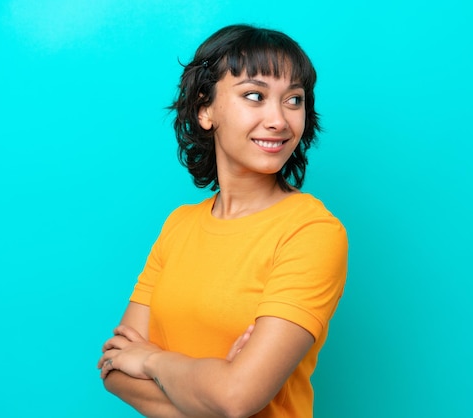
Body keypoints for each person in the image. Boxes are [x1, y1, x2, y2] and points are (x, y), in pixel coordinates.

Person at [97, 24, 348, 418]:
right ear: (205, 109)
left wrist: (150, 361)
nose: (279, 120)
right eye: (255, 95)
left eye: (293, 100)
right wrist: (214, 385)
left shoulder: (312, 232)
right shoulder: (179, 225)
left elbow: (235, 399)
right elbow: (113, 367)